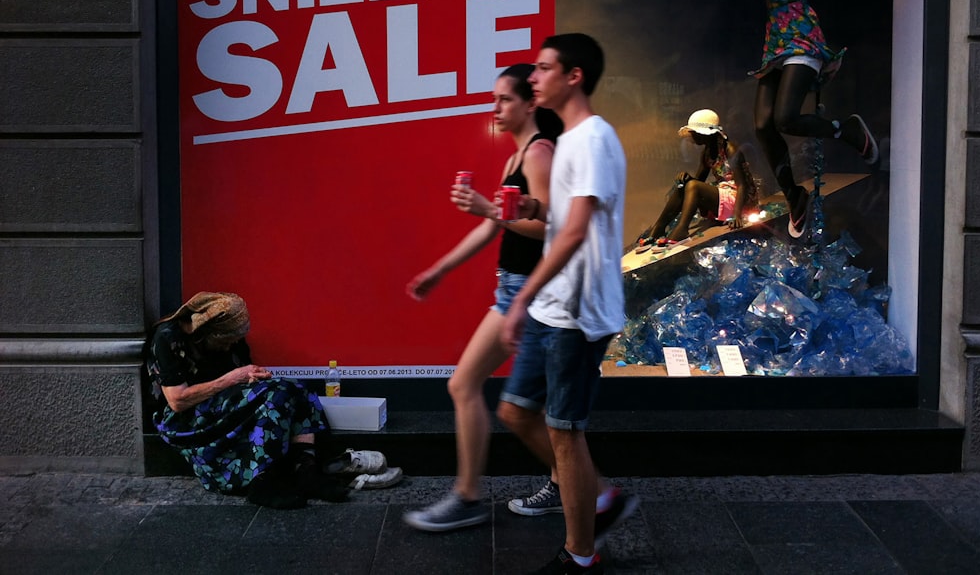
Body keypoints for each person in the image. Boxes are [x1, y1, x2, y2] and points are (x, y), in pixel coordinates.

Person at [496, 34, 638, 574]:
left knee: (564, 429)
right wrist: (532, 207)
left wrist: (521, 298)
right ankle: (600, 498)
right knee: (515, 411)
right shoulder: (570, 140)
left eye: (543, 68)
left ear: (573, 76)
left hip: (578, 311)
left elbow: (576, 232)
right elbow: (564, 217)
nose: (533, 77)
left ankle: (580, 553)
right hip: (551, 308)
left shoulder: (594, 138)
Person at [402, 64, 562, 532]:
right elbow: (495, 226)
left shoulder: (540, 154)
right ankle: (487, 493)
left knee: (517, 407)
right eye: (494, 99)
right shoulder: (516, 159)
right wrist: (438, 270)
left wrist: (488, 207)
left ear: (530, 103)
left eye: (505, 99)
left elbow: (552, 227)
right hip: (511, 290)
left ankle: (575, 488)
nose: (495, 108)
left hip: (533, 293)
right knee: (473, 388)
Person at [728, 0, 878, 239]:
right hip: (777, 43)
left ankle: (846, 130)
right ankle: (794, 194)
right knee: (763, 126)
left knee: (787, 118)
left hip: (800, 37)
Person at [145, 291, 367, 509]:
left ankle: (305, 470)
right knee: (275, 395)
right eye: (227, 341)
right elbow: (178, 401)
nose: (231, 346)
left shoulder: (232, 340)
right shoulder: (167, 338)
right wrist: (232, 378)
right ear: (211, 334)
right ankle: (263, 480)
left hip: (222, 398)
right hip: (185, 415)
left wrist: (251, 376)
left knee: (296, 388)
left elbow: (240, 375)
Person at [633, 108, 757, 253]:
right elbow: (698, 182)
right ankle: (659, 227)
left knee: (692, 186)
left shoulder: (729, 149)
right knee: (684, 184)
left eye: (695, 132)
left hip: (741, 202)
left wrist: (736, 215)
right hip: (725, 194)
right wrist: (687, 178)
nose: (692, 136)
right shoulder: (707, 152)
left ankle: (682, 229)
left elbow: (742, 185)